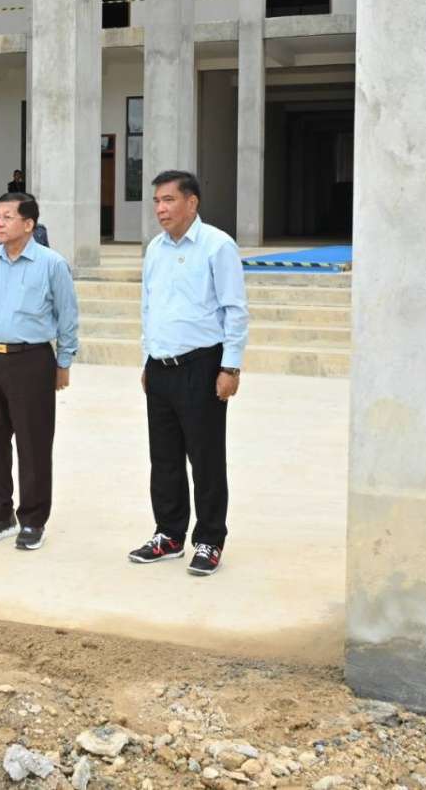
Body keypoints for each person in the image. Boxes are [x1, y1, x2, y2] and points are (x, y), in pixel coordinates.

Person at [130, 170, 248, 577]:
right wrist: (147, 359)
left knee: (206, 458)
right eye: (156, 201)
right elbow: (148, 306)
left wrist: (230, 366)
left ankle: (210, 539)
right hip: (160, 367)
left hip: (202, 365)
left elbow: (235, 310)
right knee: (163, 458)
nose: (160, 209)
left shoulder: (217, 246)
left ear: (191, 203)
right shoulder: (155, 249)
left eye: (169, 200)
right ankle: (169, 534)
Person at [0, 192, 79, 552]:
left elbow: (67, 315)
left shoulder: (51, 264)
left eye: (7, 217)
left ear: (29, 224)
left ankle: (33, 519)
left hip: (31, 359)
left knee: (33, 442)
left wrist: (64, 362)